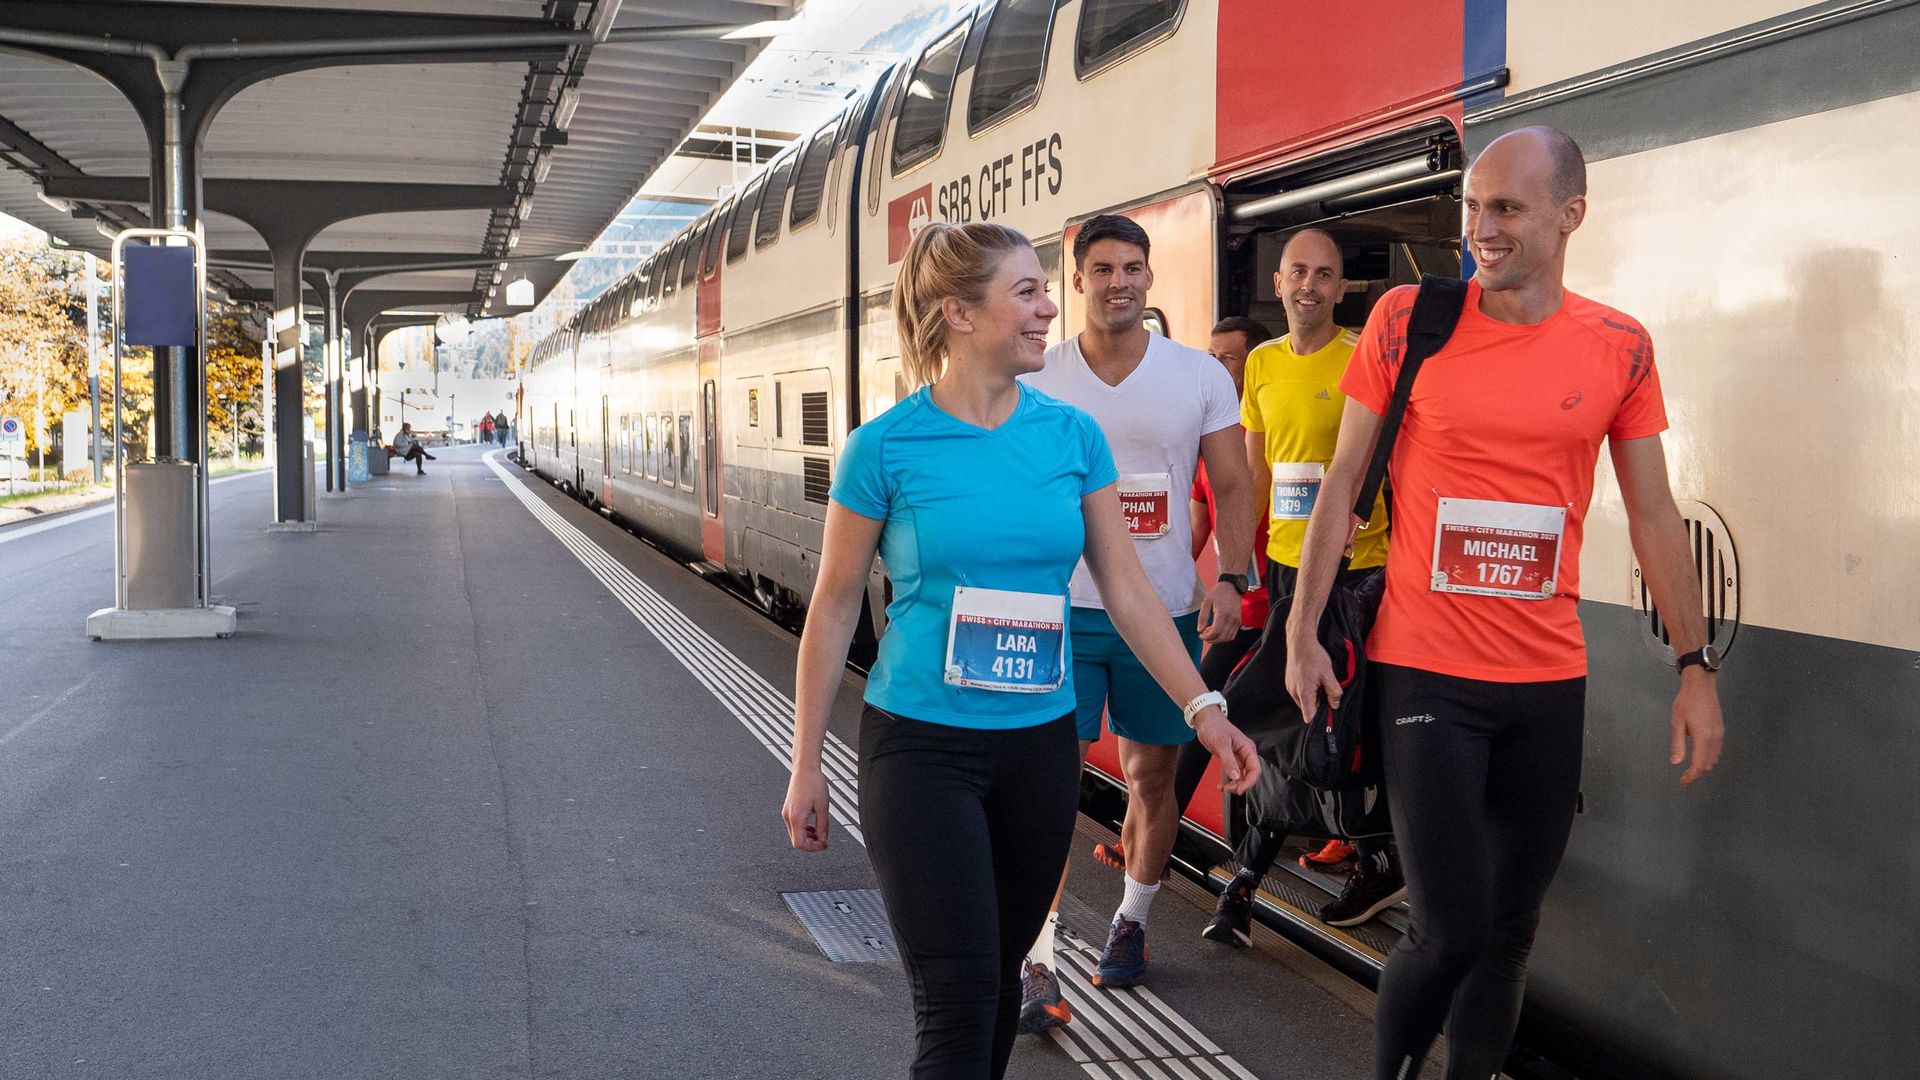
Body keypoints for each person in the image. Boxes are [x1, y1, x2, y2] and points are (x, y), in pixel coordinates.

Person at [1284, 127, 1725, 1080]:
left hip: (1546, 681)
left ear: (1571, 216)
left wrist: (1695, 667)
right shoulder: (1410, 319)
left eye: (1507, 209)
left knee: (1511, 933)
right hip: (1426, 672)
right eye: (1473, 206)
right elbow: (1342, 478)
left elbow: (1654, 516)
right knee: (1448, 929)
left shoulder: (1619, 346)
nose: (1480, 229)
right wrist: (1300, 628)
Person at [781, 221, 1259, 1080]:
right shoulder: (885, 447)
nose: (1050, 311)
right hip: (922, 748)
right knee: (958, 1005)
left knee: (1000, 988)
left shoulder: (1072, 438)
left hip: (1039, 750)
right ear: (960, 315)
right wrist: (805, 762)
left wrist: (1205, 708)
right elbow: (834, 604)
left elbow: (1128, 591)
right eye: (1028, 293)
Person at [1018, 214, 1256, 1007]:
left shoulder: (1200, 376)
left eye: (1133, 267)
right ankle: (1038, 957)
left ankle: (1132, 919)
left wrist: (1232, 575)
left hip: (1162, 614)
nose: (1119, 280)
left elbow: (1231, 484)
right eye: (1103, 268)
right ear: (1076, 281)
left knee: (1152, 776)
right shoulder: (1037, 376)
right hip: (1062, 614)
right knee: (1049, 786)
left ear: (1151, 278)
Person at [1194, 230, 1408, 950]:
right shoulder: (1259, 363)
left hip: (1355, 573)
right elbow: (1256, 477)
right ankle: (1357, 862)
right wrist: (1235, 570)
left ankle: (1251, 884)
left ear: (1343, 289)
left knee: (1321, 727)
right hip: (1285, 572)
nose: (1310, 286)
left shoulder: (1365, 356)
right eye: (1298, 274)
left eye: (1326, 274)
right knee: (1283, 723)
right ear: (1278, 284)